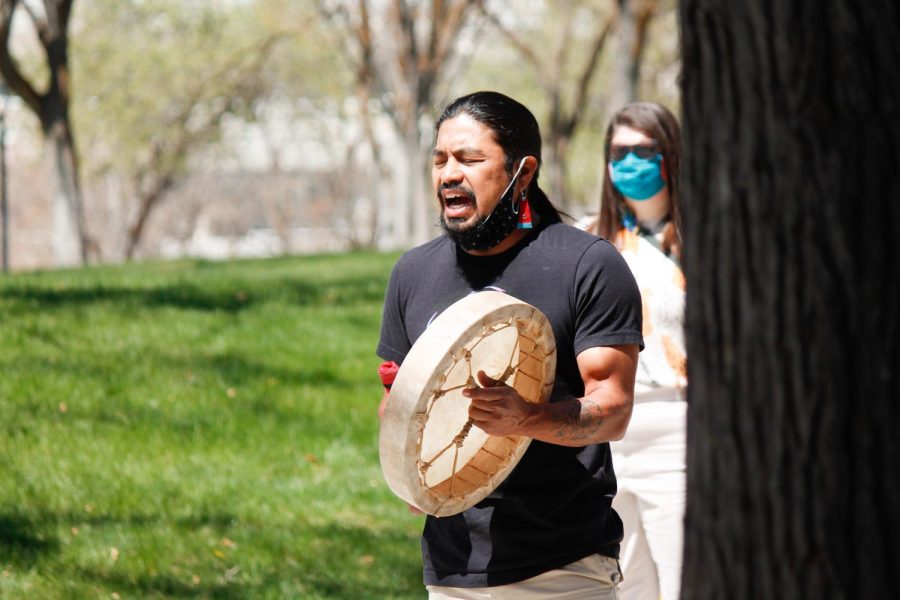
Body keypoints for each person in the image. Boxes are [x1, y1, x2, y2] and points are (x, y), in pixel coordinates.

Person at [377, 90, 644, 598]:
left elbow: (613, 409)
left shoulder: (586, 265)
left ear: (523, 173)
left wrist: (527, 418)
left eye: (470, 159)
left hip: (564, 566)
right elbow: (396, 400)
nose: (449, 174)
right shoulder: (413, 273)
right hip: (451, 569)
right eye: (440, 160)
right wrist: (409, 470)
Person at [583, 101, 687, 600]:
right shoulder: (586, 241)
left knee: (682, 578)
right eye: (619, 151)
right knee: (622, 585)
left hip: (680, 432)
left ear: (672, 155)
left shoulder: (705, 239)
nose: (630, 162)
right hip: (605, 439)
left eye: (645, 151)